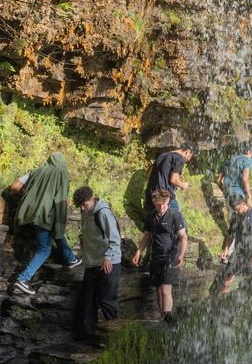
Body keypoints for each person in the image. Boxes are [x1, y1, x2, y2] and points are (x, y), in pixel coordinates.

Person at [10, 152, 81, 294]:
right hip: (45, 215)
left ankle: (71, 258)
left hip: (31, 214)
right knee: (44, 249)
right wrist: (63, 204)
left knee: (54, 232)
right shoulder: (61, 173)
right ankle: (23, 279)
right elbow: (59, 199)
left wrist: (30, 197)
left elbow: (15, 186)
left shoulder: (35, 171)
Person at [131, 189, 188, 323]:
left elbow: (183, 237)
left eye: (163, 204)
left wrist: (181, 255)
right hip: (156, 255)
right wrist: (139, 252)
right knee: (158, 289)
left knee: (165, 289)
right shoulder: (151, 216)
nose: (161, 207)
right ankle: (162, 316)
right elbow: (147, 235)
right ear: (154, 203)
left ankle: (168, 317)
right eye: (158, 205)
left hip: (171, 255)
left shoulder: (175, 215)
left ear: (168, 201)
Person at [73, 186, 122, 341]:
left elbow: (115, 238)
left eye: (84, 205)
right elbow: (86, 229)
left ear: (92, 200)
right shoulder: (85, 212)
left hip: (109, 262)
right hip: (91, 263)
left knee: (107, 301)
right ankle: (90, 336)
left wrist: (108, 257)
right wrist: (82, 237)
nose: (82, 208)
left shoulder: (103, 213)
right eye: (79, 206)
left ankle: (115, 337)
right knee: (88, 301)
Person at [219, 195, 252, 293]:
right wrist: (226, 250)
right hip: (238, 250)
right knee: (227, 280)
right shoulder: (235, 216)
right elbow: (230, 235)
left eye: (238, 209)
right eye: (234, 210)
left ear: (244, 203)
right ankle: (223, 300)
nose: (236, 212)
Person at [144, 143, 194, 212]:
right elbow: (174, 180)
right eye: (190, 156)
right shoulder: (179, 158)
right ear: (187, 152)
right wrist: (183, 185)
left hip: (150, 196)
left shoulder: (162, 155)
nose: (189, 160)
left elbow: (149, 176)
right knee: (175, 219)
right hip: (163, 198)